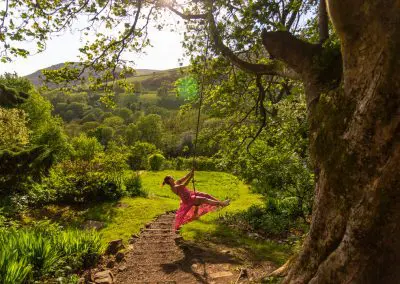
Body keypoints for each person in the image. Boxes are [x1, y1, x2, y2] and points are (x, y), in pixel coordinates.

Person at [162, 169, 230, 231]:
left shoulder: (177, 182)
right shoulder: (174, 187)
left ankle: (221, 203)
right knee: (204, 199)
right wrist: (191, 177)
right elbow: (184, 184)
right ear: (169, 181)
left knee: (205, 196)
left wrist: (191, 172)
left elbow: (185, 177)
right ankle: (222, 204)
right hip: (188, 200)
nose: (172, 177)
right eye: (171, 177)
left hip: (190, 195)